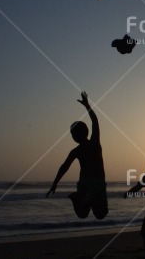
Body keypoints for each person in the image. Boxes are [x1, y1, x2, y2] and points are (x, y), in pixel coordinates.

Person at [46, 91, 108, 220]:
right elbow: (95, 120)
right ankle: (85, 197)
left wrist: (55, 183)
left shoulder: (77, 150)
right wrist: (87, 105)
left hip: (85, 182)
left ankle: (77, 198)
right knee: (101, 215)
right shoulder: (94, 143)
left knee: (82, 214)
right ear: (87, 132)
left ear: (74, 137)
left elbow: (64, 167)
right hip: (98, 182)